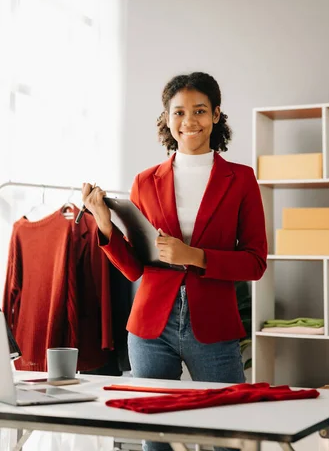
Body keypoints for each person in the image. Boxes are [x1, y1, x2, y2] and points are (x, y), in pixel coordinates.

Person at [82, 71, 267, 451]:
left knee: (228, 433)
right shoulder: (145, 180)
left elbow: (255, 262)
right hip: (150, 328)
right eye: (179, 112)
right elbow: (135, 267)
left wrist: (194, 257)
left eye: (199, 110)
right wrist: (104, 224)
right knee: (155, 437)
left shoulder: (242, 179)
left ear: (216, 115)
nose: (189, 121)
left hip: (213, 327)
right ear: (167, 118)